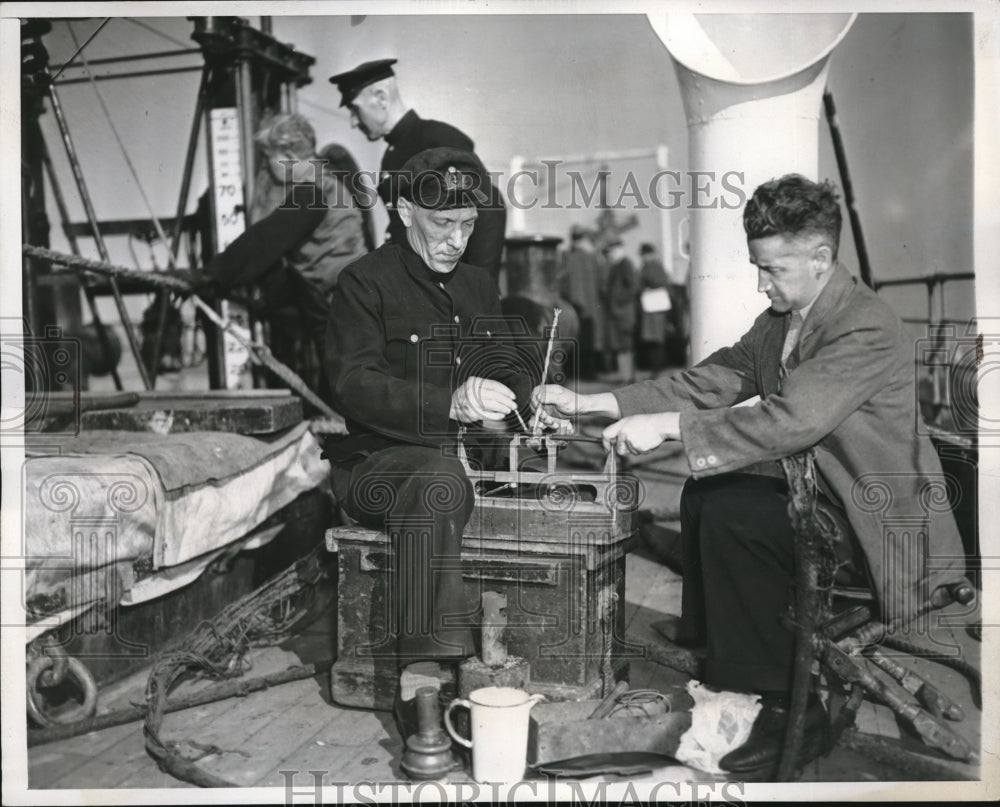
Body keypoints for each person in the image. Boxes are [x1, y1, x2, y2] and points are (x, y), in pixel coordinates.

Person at [532, 174, 968, 775]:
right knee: (707, 489)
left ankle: (793, 710)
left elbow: (790, 421)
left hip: (880, 527)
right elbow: (707, 382)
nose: (762, 284)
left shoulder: (863, 325)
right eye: (757, 267)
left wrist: (668, 428)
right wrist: (592, 403)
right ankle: (718, 641)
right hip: (828, 493)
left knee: (741, 517)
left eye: (773, 269)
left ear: (820, 258)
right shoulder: (783, 318)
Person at [324, 147, 533, 733]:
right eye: (442, 224)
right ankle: (422, 669)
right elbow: (354, 384)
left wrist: (536, 395)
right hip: (379, 466)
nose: (456, 240)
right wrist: (451, 403)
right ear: (403, 210)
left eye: (468, 226)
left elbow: (505, 360)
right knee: (439, 482)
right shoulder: (364, 282)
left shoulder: (477, 285)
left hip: (465, 461)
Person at [200, 113, 367, 403]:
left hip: (341, 310)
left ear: (289, 156)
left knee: (346, 402)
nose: (265, 166)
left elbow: (265, 240)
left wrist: (208, 276)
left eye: (268, 158)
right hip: (345, 305)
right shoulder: (325, 183)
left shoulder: (312, 192)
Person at [329, 58, 507, 273]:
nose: (353, 122)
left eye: (355, 110)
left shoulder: (438, 139)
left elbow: (489, 210)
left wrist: (479, 285)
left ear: (381, 98)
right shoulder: (392, 154)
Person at [559, 225, 606, 380]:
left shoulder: (567, 256)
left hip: (573, 305)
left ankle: (575, 372)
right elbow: (601, 282)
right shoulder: (592, 257)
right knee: (590, 339)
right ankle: (590, 372)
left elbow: (562, 280)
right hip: (592, 306)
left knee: (574, 338)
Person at [603, 238, 640, 383]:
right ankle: (625, 376)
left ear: (618, 249)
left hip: (624, 313)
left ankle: (628, 376)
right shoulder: (618, 265)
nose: (610, 254)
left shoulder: (625, 264)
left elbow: (633, 287)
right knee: (622, 345)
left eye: (612, 251)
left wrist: (618, 301)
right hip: (620, 312)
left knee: (625, 345)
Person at [636, 242, 671, 377]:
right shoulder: (655, 266)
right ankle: (657, 367)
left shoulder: (651, 267)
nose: (644, 257)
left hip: (653, 308)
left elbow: (658, 281)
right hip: (655, 307)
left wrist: (646, 285)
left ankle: (657, 368)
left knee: (655, 339)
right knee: (656, 339)